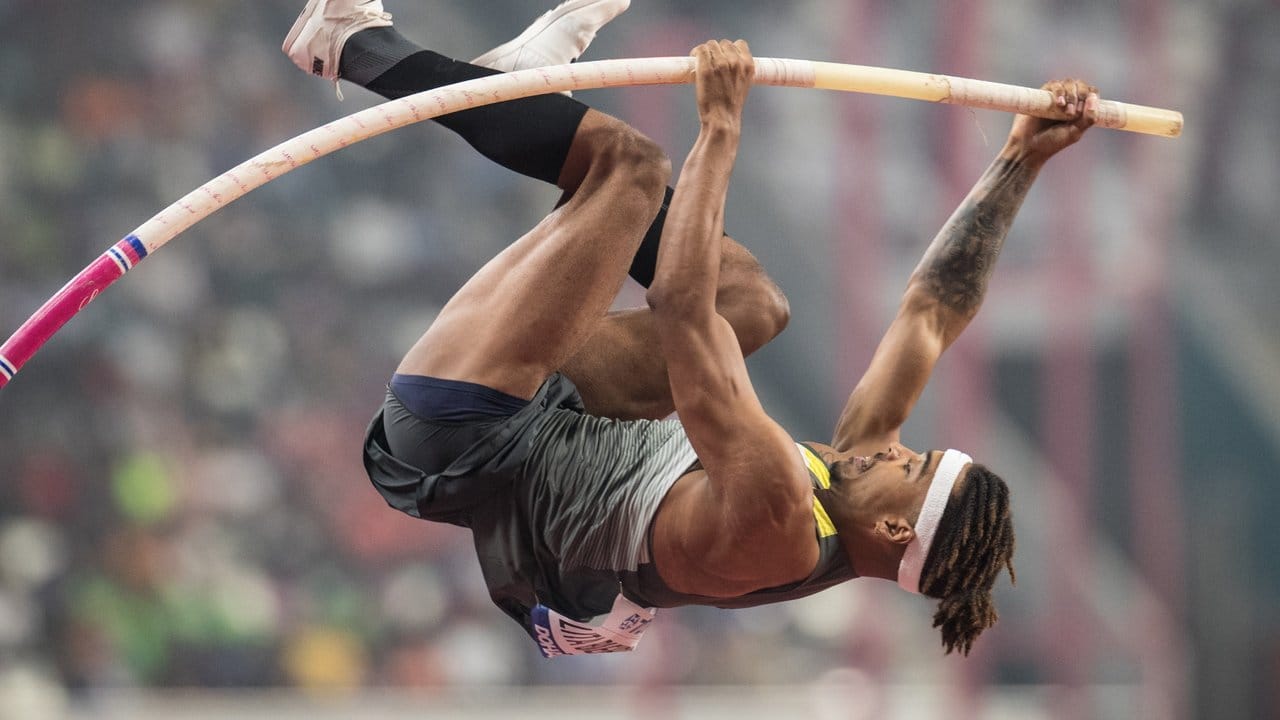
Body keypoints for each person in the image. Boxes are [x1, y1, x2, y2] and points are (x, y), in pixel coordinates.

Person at [284, 0, 1099, 658]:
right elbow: (931, 311)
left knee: (631, 165)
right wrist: (1020, 161)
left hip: (460, 438)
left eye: (910, 465)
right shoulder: (846, 492)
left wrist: (718, 128)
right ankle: (522, 106)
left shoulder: (778, 522)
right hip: (547, 431)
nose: (893, 447)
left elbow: (679, 305)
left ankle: (353, 44)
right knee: (756, 307)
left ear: (893, 528)